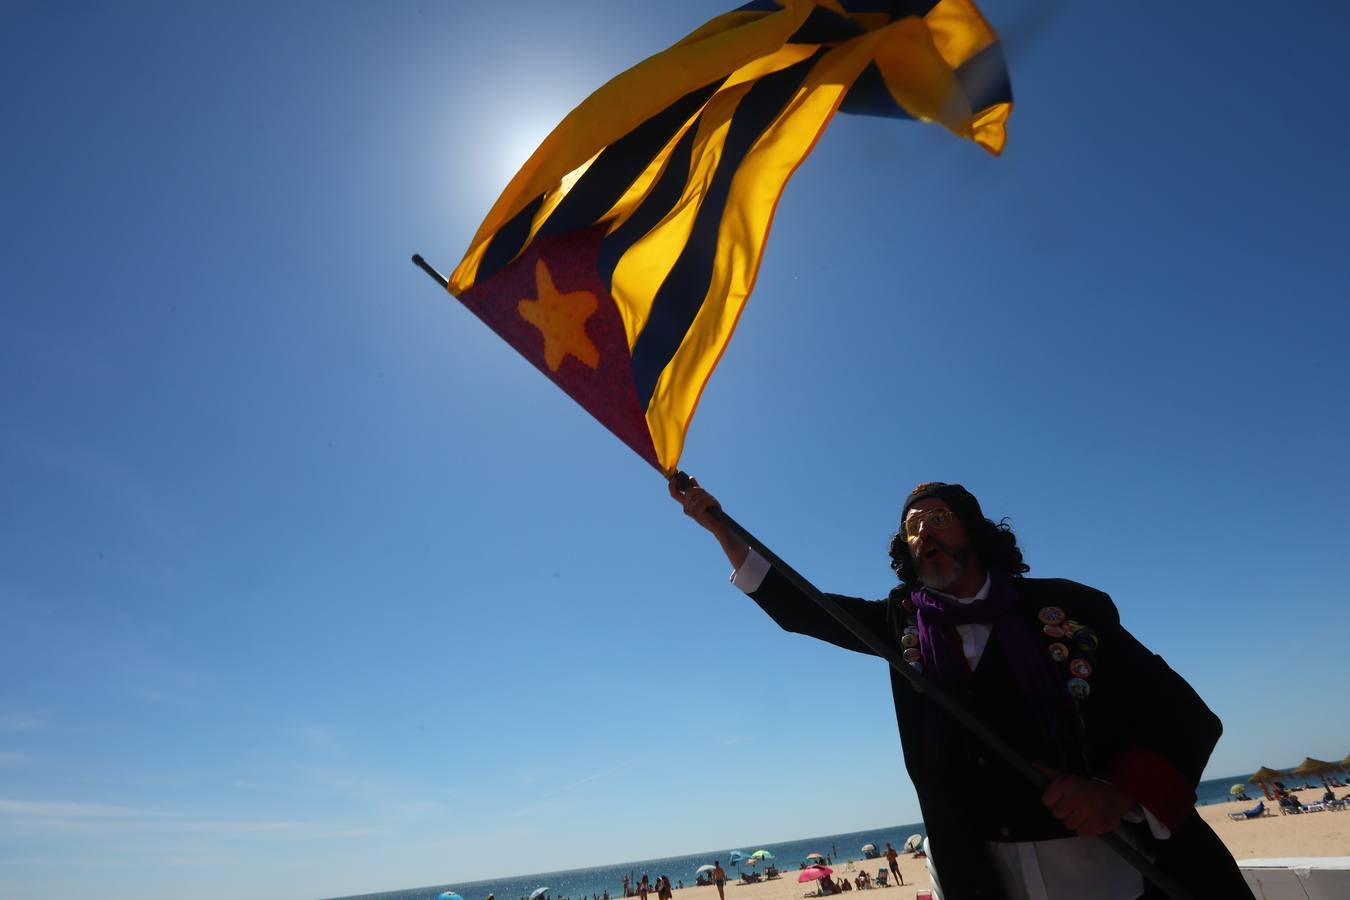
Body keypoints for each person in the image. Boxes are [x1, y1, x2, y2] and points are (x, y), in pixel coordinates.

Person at [672, 478, 1254, 900]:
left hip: (1114, 866)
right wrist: (720, 527)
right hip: (979, 873)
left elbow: (1183, 714)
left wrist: (1116, 795)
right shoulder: (900, 623)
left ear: (974, 531)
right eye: (913, 526)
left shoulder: (1068, 606)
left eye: (939, 517)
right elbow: (806, 608)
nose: (924, 529)